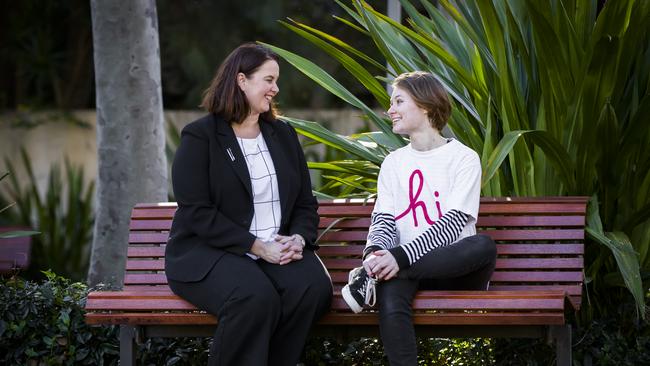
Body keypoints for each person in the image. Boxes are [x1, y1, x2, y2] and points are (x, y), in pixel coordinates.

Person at [165, 43, 332, 366]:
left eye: (276, 81)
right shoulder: (200, 137)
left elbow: (304, 203)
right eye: (268, 80)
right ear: (242, 80)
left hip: (275, 249)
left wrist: (298, 238)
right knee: (253, 297)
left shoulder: (282, 134)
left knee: (312, 289)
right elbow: (197, 212)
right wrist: (256, 246)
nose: (275, 89)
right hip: (211, 253)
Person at [341, 71, 497, 365]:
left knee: (483, 245)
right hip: (406, 269)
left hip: (455, 272)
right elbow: (384, 220)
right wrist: (376, 253)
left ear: (425, 105)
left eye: (399, 101)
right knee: (392, 289)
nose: (390, 110)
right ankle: (379, 274)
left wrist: (396, 259)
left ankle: (373, 277)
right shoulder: (394, 163)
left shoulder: (464, 158)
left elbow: (452, 226)